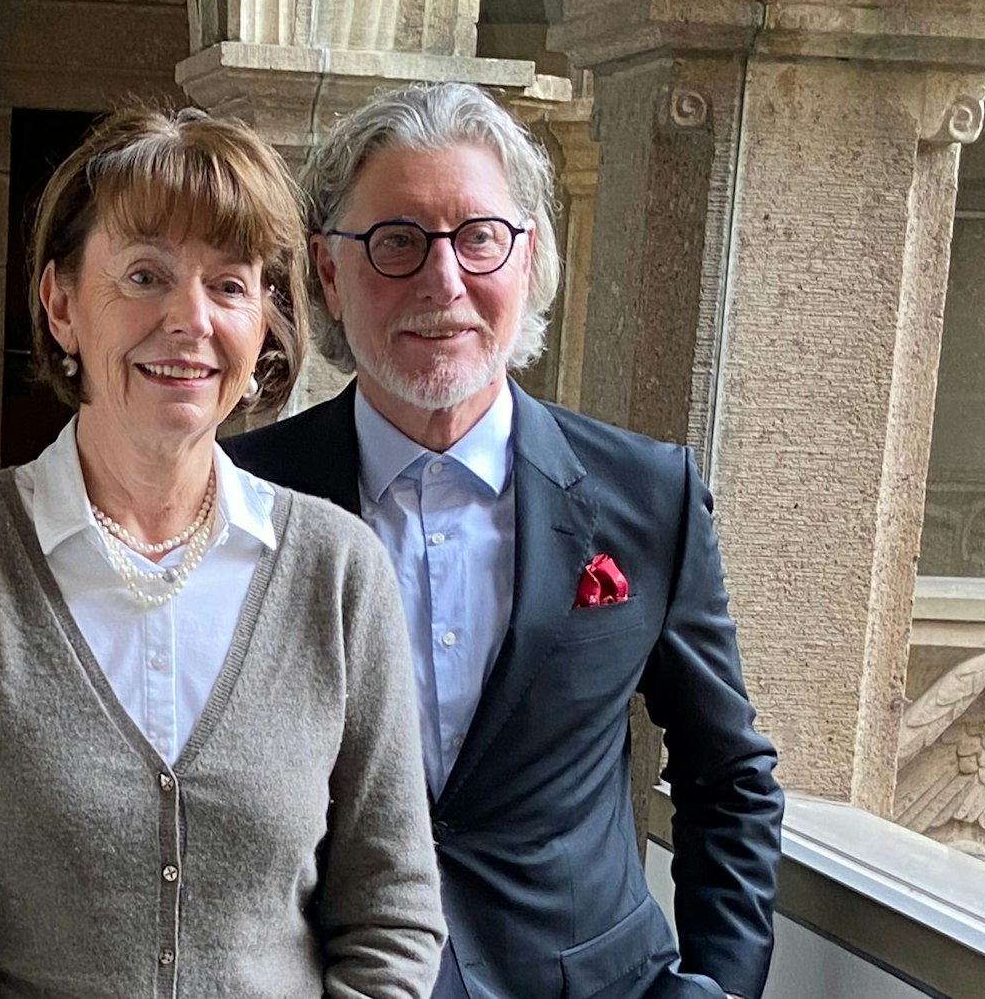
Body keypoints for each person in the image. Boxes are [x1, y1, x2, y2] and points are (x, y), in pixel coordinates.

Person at [0, 106, 444, 998]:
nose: (189, 321)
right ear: (61, 303)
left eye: (230, 285)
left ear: (265, 322)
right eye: (145, 275)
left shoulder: (337, 571)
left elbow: (391, 915)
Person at [226, 82, 784, 999]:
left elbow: (727, 775)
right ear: (328, 272)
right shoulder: (241, 497)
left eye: (478, 237)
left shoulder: (647, 497)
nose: (442, 282)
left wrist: (718, 985)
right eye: (396, 242)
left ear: (527, 258)